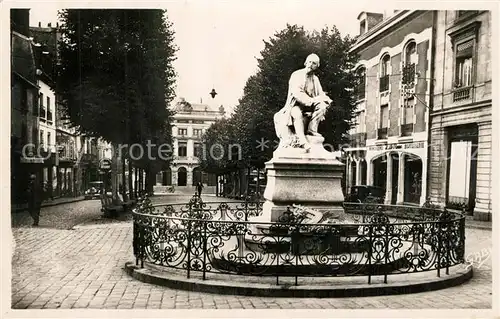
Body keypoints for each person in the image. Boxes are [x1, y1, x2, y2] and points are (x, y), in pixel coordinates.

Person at [274, 53, 333, 150]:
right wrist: (312, 101)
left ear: (316, 66)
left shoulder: (315, 79)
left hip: (310, 106)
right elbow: (297, 93)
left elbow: (320, 93)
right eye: (309, 62)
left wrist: (326, 100)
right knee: (296, 113)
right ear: (305, 63)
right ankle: (302, 141)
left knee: (322, 106)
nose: (310, 65)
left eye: (314, 63)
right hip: (294, 105)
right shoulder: (297, 75)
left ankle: (312, 130)